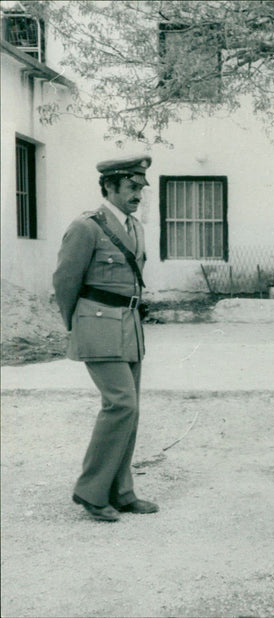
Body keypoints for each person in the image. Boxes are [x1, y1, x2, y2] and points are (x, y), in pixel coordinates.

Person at [53, 155, 158, 522]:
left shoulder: (135, 227)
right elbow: (65, 281)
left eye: (141, 188)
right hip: (97, 325)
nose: (137, 195)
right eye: (131, 187)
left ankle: (122, 491)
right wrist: (77, 324)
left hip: (129, 327)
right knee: (121, 405)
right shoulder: (87, 226)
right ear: (110, 187)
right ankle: (90, 491)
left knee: (131, 410)